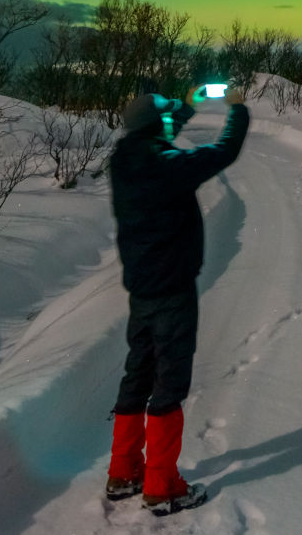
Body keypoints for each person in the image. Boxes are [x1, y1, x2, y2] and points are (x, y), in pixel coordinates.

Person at [104, 83, 251, 515]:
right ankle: (162, 485)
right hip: (172, 291)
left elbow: (157, 133)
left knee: (137, 377)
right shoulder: (166, 164)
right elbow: (222, 152)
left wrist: (185, 107)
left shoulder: (125, 157)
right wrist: (237, 109)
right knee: (169, 385)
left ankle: (123, 472)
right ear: (157, 126)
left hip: (142, 288)